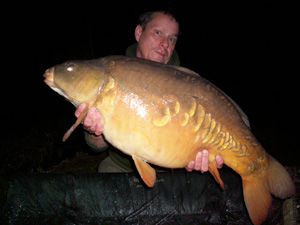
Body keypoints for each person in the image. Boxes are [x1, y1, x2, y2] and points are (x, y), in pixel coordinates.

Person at [75, 10, 224, 173]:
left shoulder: (188, 86)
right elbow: (96, 147)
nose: (165, 43)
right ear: (139, 33)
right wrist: (94, 131)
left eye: (172, 38)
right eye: (158, 32)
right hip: (120, 166)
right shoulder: (112, 73)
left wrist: (197, 157)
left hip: (170, 171)